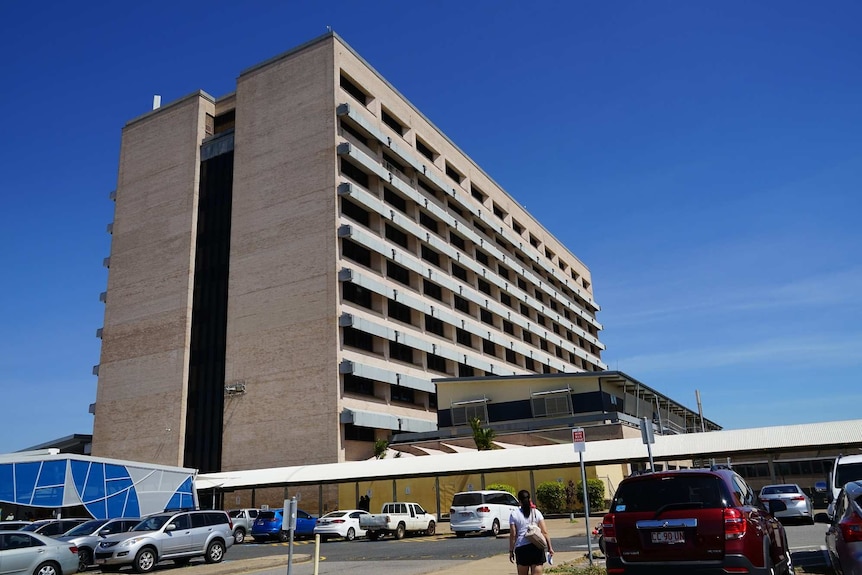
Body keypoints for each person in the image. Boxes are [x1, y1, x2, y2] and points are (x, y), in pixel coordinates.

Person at [509, 489, 553, 574]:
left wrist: (511, 551)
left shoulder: (514, 514)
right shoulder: (537, 513)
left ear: (519, 501)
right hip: (537, 547)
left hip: (522, 548)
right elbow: (545, 532)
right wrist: (550, 548)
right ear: (530, 499)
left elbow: (513, 534)